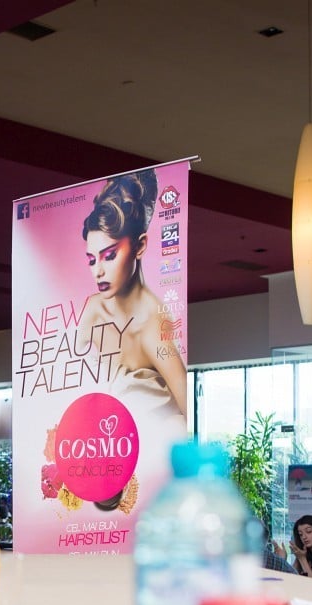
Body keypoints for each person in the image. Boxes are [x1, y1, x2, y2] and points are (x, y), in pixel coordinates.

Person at [79, 169, 187, 419]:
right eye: (92, 260)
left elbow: (186, 408)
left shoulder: (153, 323)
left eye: (109, 256)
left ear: (140, 246)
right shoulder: (93, 308)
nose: (98, 271)